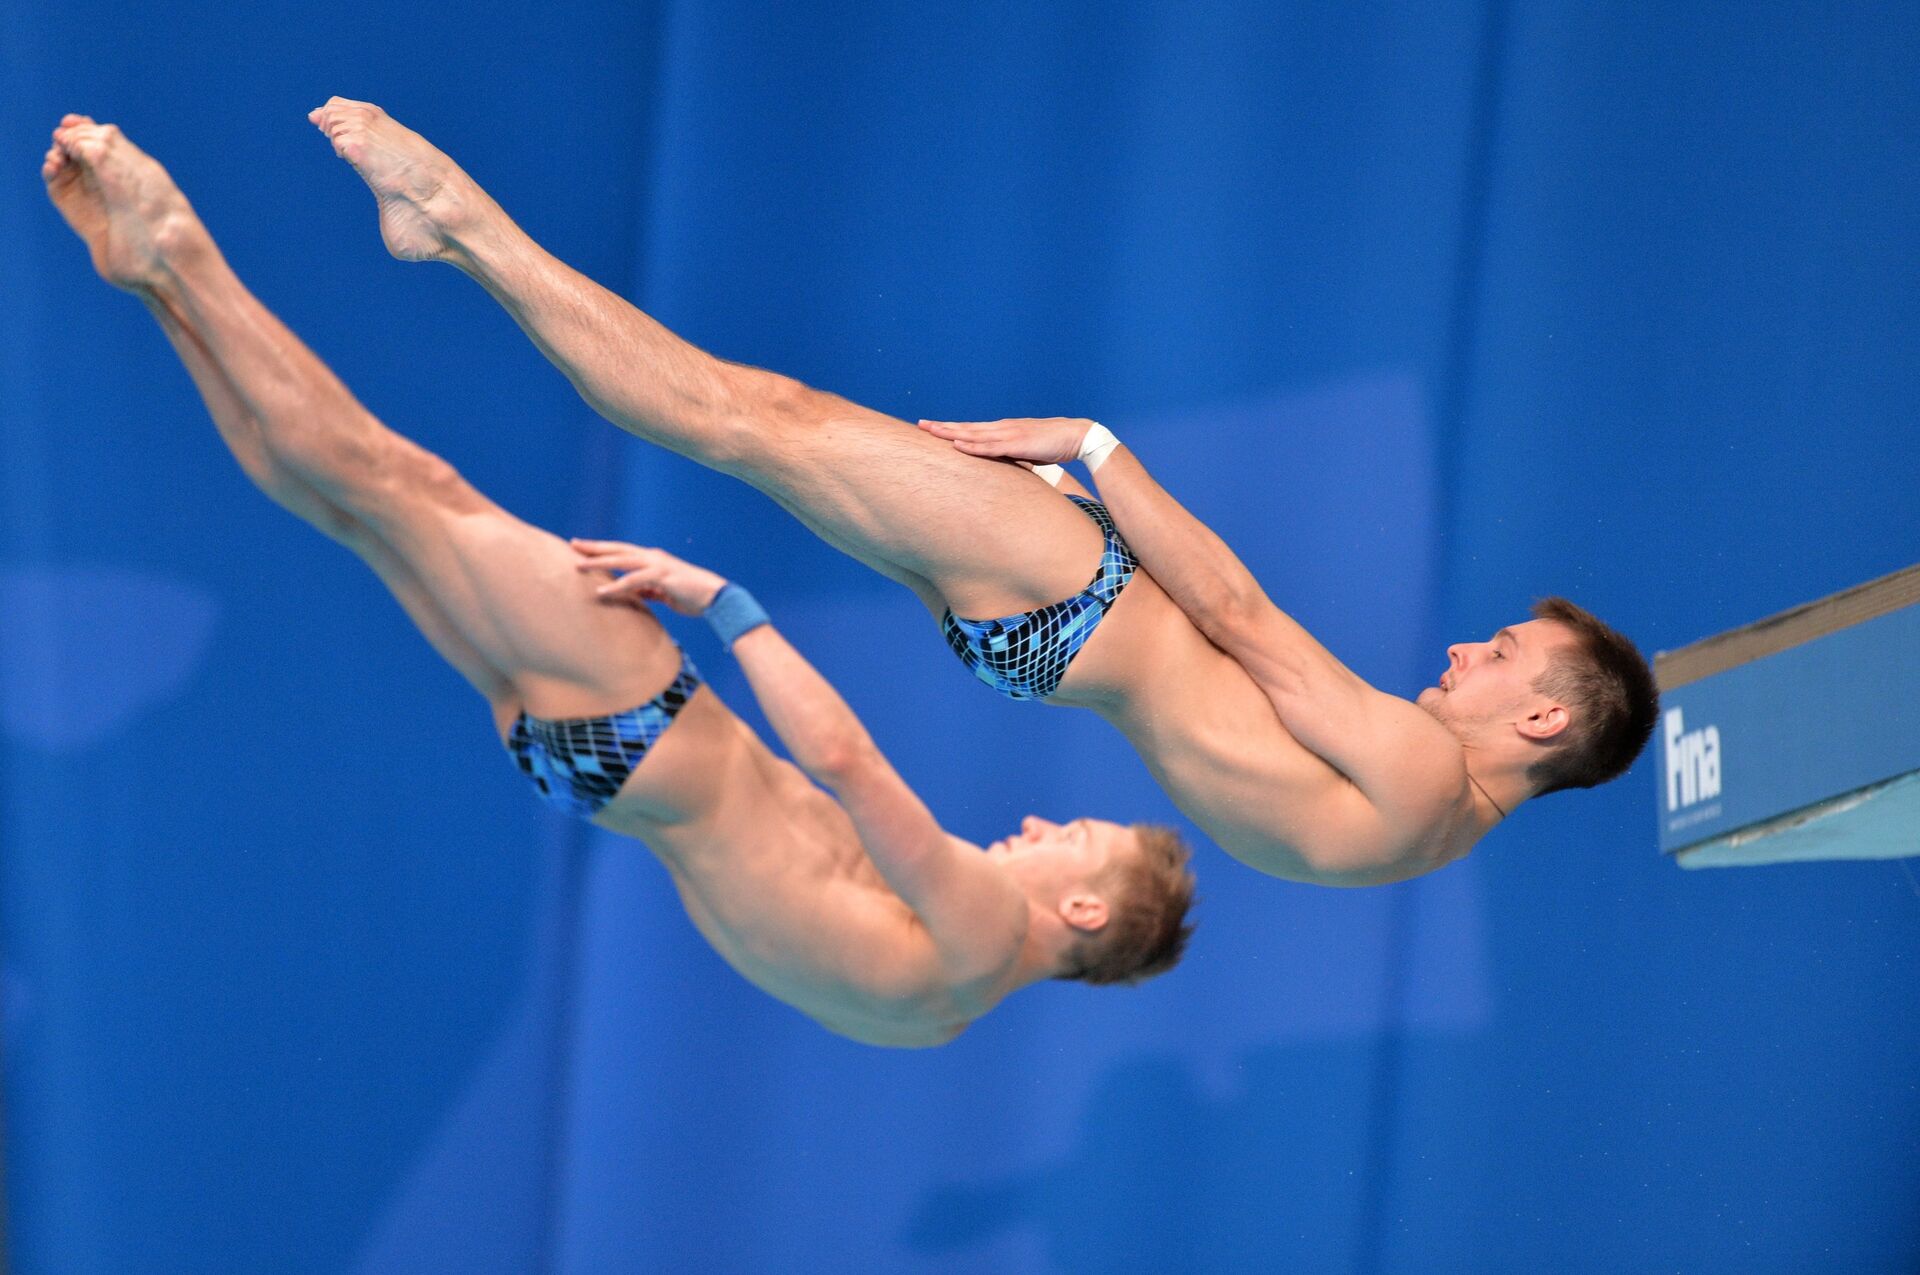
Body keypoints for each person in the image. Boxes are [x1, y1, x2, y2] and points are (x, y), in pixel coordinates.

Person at [41, 115, 1195, 1049]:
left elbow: (844, 765)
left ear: (1082, 912)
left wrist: (727, 606)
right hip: (591, 771)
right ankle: (154, 284)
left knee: (403, 483)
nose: (1042, 821)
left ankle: (182, 254)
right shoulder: (937, 1015)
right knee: (357, 510)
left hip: (651, 728)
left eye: (1076, 833)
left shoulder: (989, 926)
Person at [309, 98, 1659, 887]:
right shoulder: (1425, 842)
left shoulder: (1427, 765)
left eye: (1503, 655)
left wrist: (1094, 447)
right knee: (745, 430)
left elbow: (1241, 616)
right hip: (1046, 651)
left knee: (747, 413)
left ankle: (456, 216)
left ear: (1543, 716)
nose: (1465, 650)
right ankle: (462, 239)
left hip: (1083, 592)